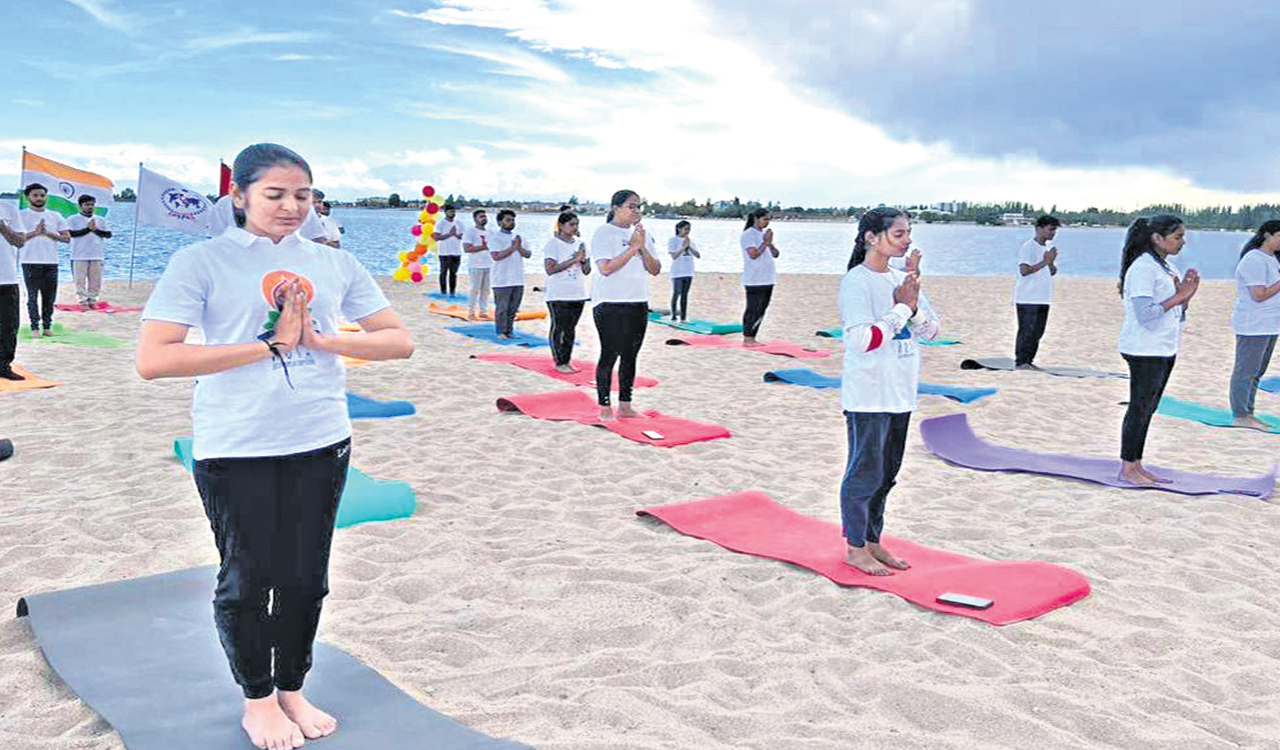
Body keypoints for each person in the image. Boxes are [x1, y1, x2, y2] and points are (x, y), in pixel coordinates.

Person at [135, 143, 414, 750]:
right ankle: (257, 700)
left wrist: (320, 339)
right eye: (275, 194)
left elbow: (398, 341)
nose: (292, 207)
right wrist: (270, 348)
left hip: (321, 440)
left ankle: (292, 686)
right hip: (236, 445)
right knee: (247, 577)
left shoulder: (334, 263)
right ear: (238, 196)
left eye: (303, 195)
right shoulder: (201, 261)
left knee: (306, 578)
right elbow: (154, 360)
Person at [837, 207, 940, 576]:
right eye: (899, 233)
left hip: (900, 393)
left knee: (887, 474)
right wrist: (901, 307)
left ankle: (873, 540)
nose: (907, 239)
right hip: (869, 394)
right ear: (871, 238)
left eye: (908, 233)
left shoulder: (903, 278)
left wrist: (912, 304)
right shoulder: (857, 281)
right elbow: (861, 340)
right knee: (864, 473)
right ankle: (854, 548)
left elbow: (932, 331)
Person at [1117, 214, 1198, 485]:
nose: (1183, 242)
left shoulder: (1163, 267)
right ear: (1157, 238)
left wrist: (1186, 297)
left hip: (1162, 347)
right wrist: (1180, 295)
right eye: (1178, 237)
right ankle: (1127, 468)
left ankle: (1137, 464)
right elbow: (1146, 314)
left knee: (1148, 408)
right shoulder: (1143, 268)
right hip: (1143, 349)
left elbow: (1173, 310)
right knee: (1139, 408)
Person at [590, 190, 661, 418]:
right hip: (609, 302)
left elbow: (655, 269)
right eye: (632, 206)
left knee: (630, 355)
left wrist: (640, 246)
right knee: (609, 354)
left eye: (639, 206)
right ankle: (604, 407)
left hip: (637, 301)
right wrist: (632, 248)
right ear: (615, 207)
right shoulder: (604, 233)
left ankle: (625, 405)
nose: (637, 211)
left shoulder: (642, 234)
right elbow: (606, 269)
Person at [1229, 220, 1280, 430]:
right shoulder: (1254, 260)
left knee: (1257, 371)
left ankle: (1248, 412)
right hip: (1253, 324)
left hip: (1270, 324)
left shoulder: (1272, 259)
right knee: (1246, 371)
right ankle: (1240, 414)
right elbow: (1258, 295)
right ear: (1267, 235)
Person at [19, 183, 70, 337]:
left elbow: (66, 238)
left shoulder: (55, 215)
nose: (39, 198)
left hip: (51, 262)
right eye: (35, 195)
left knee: (49, 296)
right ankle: (34, 327)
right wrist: (35, 232)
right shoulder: (21, 215)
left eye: (42, 195)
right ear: (28, 197)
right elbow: (15, 238)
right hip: (29, 261)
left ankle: (47, 326)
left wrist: (48, 233)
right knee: (32, 296)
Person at [543, 211, 590, 372]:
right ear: (561, 226)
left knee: (571, 329)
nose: (575, 227)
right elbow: (550, 269)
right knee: (560, 327)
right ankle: (559, 362)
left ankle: (567, 360)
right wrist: (573, 260)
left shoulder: (581, 243)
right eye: (571, 224)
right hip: (558, 293)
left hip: (578, 292)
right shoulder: (553, 244)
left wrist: (583, 260)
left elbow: (587, 270)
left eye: (577, 224)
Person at [1014, 215, 1060, 369]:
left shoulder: (1046, 248)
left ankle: (1029, 361)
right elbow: (1024, 270)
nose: (1053, 233)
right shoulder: (1028, 247)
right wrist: (1045, 262)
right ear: (1039, 228)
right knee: (1027, 330)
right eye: (1050, 229)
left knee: (1037, 332)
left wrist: (1051, 263)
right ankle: (1021, 361)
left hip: (1043, 297)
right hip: (1028, 297)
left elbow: (1051, 271)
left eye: (1055, 230)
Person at [740, 207, 779, 344]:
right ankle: (748, 337)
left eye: (769, 219)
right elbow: (753, 254)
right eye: (765, 219)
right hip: (754, 279)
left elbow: (775, 254)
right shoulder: (748, 234)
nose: (767, 222)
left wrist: (770, 244)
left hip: (768, 278)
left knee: (762, 308)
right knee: (753, 308)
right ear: (756, 219)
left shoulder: (763, 234)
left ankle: (753, 337)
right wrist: (765, 242)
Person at [488, 209, 530, 338]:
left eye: (513, 220)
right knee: (502, 308)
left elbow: (528, 254)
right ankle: (501, 331)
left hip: (518, 278)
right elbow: (496, 256)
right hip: (501, 279)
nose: (511, 222)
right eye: (508, 220)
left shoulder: (519, 237)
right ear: (500, 222)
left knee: (513, 308)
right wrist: (512, 248)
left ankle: (509, 331)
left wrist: (519, 247)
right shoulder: (495, 237)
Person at [65, 195, 113, 308]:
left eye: (92, 205)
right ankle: (82, 301)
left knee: (96, 280)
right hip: (79, 255)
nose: (90, 207)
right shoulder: (73, 219)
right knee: (80, 280)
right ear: (80, 206)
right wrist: (88, 229)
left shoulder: (100, 219)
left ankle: (93, 300)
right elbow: (70, 234)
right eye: (87, 205)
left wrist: (95, 230)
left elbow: (108, 234)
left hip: (97, 254)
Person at [0, 201, 25, 380]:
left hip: (6, 277)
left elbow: (20, 241)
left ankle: (3, 366)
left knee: (9, 326)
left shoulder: (7, 207)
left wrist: (2, 227)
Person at [667, 220, 699, 322]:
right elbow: (674, 256)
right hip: (677, 272)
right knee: (677, 293)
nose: (687, 231)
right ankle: (673, 315)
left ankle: (683, 317)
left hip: (688, 271)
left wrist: (689, 247)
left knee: (685, 295)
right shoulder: (673, 240)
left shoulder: (690, 241)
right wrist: (683, 247)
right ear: (679, 229)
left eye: (689, 229)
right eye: (685, 229)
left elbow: (698, 255)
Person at [463, 209, 492, 320]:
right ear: (475, 219)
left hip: (489, 265)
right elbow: (467, 248)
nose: (484, 218)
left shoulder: (490, 232)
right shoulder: (470, 232)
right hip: (475, 265)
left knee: (486, 290)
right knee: (475, 289)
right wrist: (483, 247)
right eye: (481, 216)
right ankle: (471, 312)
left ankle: (483, 311)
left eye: (485, 216)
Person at [432, 204, 464, 296]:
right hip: (444, 252)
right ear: (445, 212)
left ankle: (452, 291)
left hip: (456, 252)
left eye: (454, 211)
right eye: (450, 211)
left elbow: (462, 236)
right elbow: (436, 237)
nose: (452, 213)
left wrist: (456, 234)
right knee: (443, 272)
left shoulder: (459, 223)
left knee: (453, 273)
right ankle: (443, 291)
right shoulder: (440, 223)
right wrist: (449, 234)